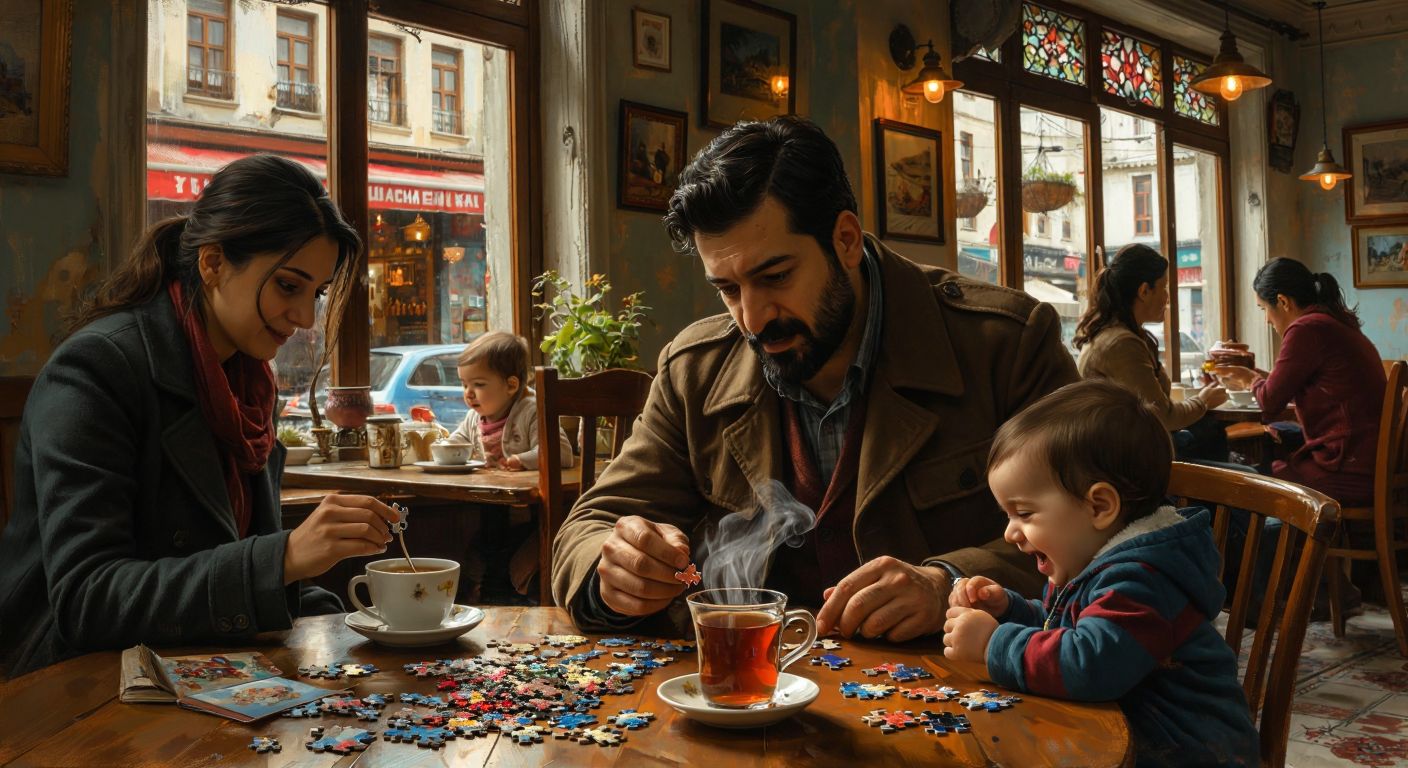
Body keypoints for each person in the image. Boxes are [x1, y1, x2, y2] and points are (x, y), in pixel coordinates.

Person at [552, 116, 1078, 641]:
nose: (752, 319)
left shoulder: (1005, 347)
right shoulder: (693, 370)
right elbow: (588, 528)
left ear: (845, 240)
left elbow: (1101, 533)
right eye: (728, 289)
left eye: (775, 276)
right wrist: (614, 572)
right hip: (748, 697)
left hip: (958, 694)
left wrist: (946, 583)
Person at [0, 154, 402, 678]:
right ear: (212, 264)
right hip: (71, 688)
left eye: (317, 293)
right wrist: (282, 557)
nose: (305, 318)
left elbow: (230, 569)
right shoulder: (97, 368)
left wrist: (376, 625)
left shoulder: (248, 384)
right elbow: (88, 600)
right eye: (288, 285)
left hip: (202, 671)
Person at [943, 379, 1258, 768]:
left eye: (1023, 514)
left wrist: (995, 644)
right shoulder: (1096, 561)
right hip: (1133, 735)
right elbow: (1065, 630)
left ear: (1099, 507)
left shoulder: (1143, 579)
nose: (1010, 533)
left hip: (1186, 751)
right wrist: (1008, 610)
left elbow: (1091, 664)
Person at [1215, 257, 1386, 506]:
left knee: (1261, 478)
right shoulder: (1332, 321)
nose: (1267, 321)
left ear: (1282, 302)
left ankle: (1289, 545)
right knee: (1278, 452)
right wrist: (1256, 377)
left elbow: (1270, 402)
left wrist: (1248, 380)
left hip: (1349, 467)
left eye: (1264, 309)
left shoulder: (1306, 328)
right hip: (1370, 459)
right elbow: (1287, 385)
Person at [1073, 244, 1229, 460]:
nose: (1167, 298)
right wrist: (1202, 401)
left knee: (1211, 434)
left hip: (1132, 451)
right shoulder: (1121, 344)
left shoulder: (1121, 335)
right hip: (1127, 461)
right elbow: (1162, 417)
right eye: (1164, 287)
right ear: (1144, 291)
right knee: (1243, 469)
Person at [447, 330, 574, 471]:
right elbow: (457, 441)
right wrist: (444, 448)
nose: (468, 393)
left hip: (528, 490)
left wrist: (522, 460)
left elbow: (562, 453)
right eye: (465, 385)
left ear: (511, 385)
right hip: (487, 488)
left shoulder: (533, 412)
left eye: (479, 384)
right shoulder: (473, 418)